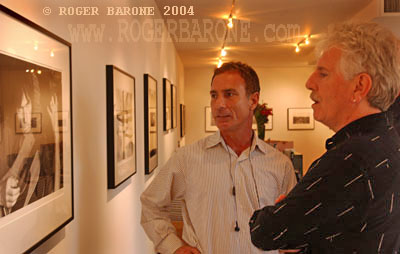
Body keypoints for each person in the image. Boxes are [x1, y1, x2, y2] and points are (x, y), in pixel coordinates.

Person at [249, 22, 400, 253]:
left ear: (359, 86)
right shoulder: (387, 139)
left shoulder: (352, 158)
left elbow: (266, 232)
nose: (310, 83)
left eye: (323, 73)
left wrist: (285, 218)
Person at [141, 62, 297, 254]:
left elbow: (292, 225)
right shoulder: (187, 158)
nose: (219, 104)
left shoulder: (280, 165)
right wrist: (174, 247)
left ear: (253, 100)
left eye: (229, 94)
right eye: (214, 95)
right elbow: (151, 205)